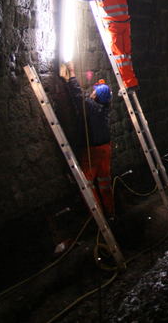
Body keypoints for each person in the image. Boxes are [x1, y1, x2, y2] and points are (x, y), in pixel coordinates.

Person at [65, 0, 138, 90]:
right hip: (125, 24)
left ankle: (128, 85)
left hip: (113, 25)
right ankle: (132, 82)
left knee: (119, 55)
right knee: (126, 55)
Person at [59, 61, 116, 219]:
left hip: (94, 151)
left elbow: (78, 96)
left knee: (87, 184)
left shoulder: (93, 108)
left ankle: (97, 216)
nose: (92, 92)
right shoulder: (104, 109)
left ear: (96, 96)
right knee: (105, 182)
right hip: (106, 148)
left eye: (94, 92)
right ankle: (110, 213)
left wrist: (72, 74)